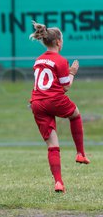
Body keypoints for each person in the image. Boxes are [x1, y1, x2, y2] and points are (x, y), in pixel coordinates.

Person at [29, 21, 90, 193]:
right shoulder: (61, 60)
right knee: (75, 115)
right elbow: (65, 87)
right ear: (58, 42)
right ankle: (80, 153)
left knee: (52, 145)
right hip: (54, 99)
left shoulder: (38, 59)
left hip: (37, 103)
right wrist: (72, 73)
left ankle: (58, 182)